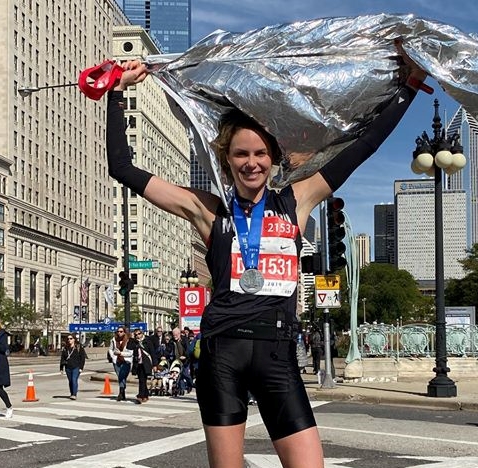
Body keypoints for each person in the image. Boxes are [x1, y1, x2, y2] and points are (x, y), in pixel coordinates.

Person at [106, 40, 428, 468]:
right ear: (227, 160)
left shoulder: (298, 199)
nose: (251, 162)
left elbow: (362, 147)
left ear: (274, 159)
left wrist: (406, 88)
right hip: (222, 354)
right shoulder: (207, 209)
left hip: (277, 352)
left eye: (260, 153)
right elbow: (123, 168)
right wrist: (115, 92)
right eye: (241, 154)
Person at [108, 326, 134, 402]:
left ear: (124, 332)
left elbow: (130, 353)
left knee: (122, 376)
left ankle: (121, 392)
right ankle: (122, 393)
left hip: (126, 361)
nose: (119, 333)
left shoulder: (129, 340)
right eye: (118, 331)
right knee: (120, 377)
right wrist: (113, 356)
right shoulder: (113, 340)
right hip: (117, 361)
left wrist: (121, 353)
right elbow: (110, 349)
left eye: (121, 331)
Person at [59, 334, 87, 400]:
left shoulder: (78, 347)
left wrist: (81, 368)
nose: (69, 340)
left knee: (74, 380)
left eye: (71, 338)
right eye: (68, 339)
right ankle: (72, 393)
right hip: (68, 367)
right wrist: (61, 368)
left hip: (76, 367)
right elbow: (62, 358)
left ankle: (74, 394)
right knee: (70, 381)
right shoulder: (65, 348)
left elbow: (82, 358)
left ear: (74, 339)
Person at [132, 329, 154, 403]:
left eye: (139, 334)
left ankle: (140, 396)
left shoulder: (147, 341)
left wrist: (155, 365)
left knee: (142, 380)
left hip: (146, 363)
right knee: (142, 380)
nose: (137, 335)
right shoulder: (134, 342)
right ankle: (145, 395)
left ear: (142, 334)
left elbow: (152, 353)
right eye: (136, 334)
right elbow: (129, 347)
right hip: (138, 363)